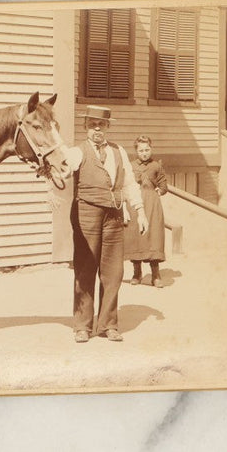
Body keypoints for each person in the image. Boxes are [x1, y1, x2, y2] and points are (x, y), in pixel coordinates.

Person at [57, 105, 148, 342]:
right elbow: (62, 169)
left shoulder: (119, 152)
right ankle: (82, 326)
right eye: (92, 124)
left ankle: (108, 324)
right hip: (86, 212)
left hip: (114, 215)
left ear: (108, 127)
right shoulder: (77, 152)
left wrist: (140, 211)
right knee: (86, 267)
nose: (97, 128)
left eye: (102, 124)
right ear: (85, 127)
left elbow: (129, 183)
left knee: (114, 271)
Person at [125, 135, 169, 287]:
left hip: (152, 204)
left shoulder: (157, 166)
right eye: (141, 150)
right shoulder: (130, 166)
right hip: (135, 205)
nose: (144, 153)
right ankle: (137, 273)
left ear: (151, 149)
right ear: (136, 151)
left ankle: (155, 275)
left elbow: (164, 186)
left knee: (153, 237)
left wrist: (158, 191)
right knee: (136, 237)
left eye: (147, 150)